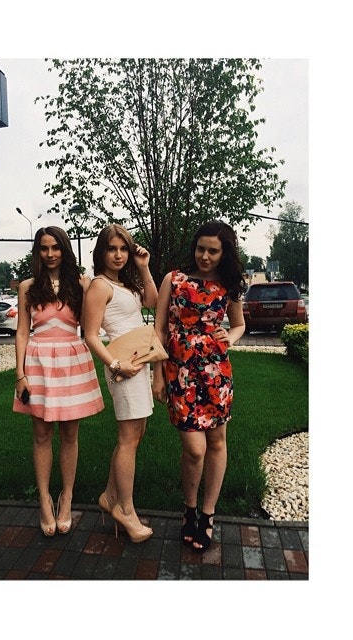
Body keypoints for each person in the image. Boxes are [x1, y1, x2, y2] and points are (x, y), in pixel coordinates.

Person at [152, 220, 246, 552]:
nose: (205, 256)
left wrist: (229, 337)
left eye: (213, 251)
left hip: (216, 374)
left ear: (224, 253)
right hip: (180, 373)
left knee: (217, 442)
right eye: (201, 248)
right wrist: (157, 374)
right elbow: (159, 330)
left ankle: (207, 514)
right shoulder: (174, 279)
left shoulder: (229, 285)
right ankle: (189, 507)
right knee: (194, 449)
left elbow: (239, 325)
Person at [13, 226, 104, 537]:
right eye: (44, 248)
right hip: (37, 362)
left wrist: (88, 291)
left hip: (71, 361)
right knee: (41, 434)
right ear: (37, 252)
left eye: (55, 247)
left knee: (69, 433)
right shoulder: (27, 287)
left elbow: (91, 327)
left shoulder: (80, 284)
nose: (50, 254)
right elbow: (22, 332)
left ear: (65, 250)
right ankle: (44, 500)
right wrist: (20, 374)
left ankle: (67, 497)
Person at [83, 224, 159, 543]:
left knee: (136, 434)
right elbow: (90, 335)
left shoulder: (125, 283)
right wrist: (116, 365)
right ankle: (125, 510)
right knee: (128, 438)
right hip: (121, 365)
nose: (118, 255)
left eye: (123, 249)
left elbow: (153, 301)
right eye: (112, 249)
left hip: (137, 362)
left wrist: (144, 267)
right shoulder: (99, 286)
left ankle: (110, 496)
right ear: (101, 252)